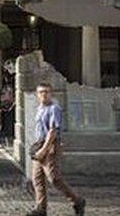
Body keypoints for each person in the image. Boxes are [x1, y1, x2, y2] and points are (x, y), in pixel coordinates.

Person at [26, 82, 85, 216]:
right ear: (37, 95)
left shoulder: (54, 108)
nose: (44, 95)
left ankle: (77, 200)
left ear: (51, 93)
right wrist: (37, 147)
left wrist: (44, 150)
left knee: (54, 178)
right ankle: (41, 208)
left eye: (46, 92)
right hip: (39, 144)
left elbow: (52, 131)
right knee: (37, 178)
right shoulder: (40, 108)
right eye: (41, 92)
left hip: (50, 145)